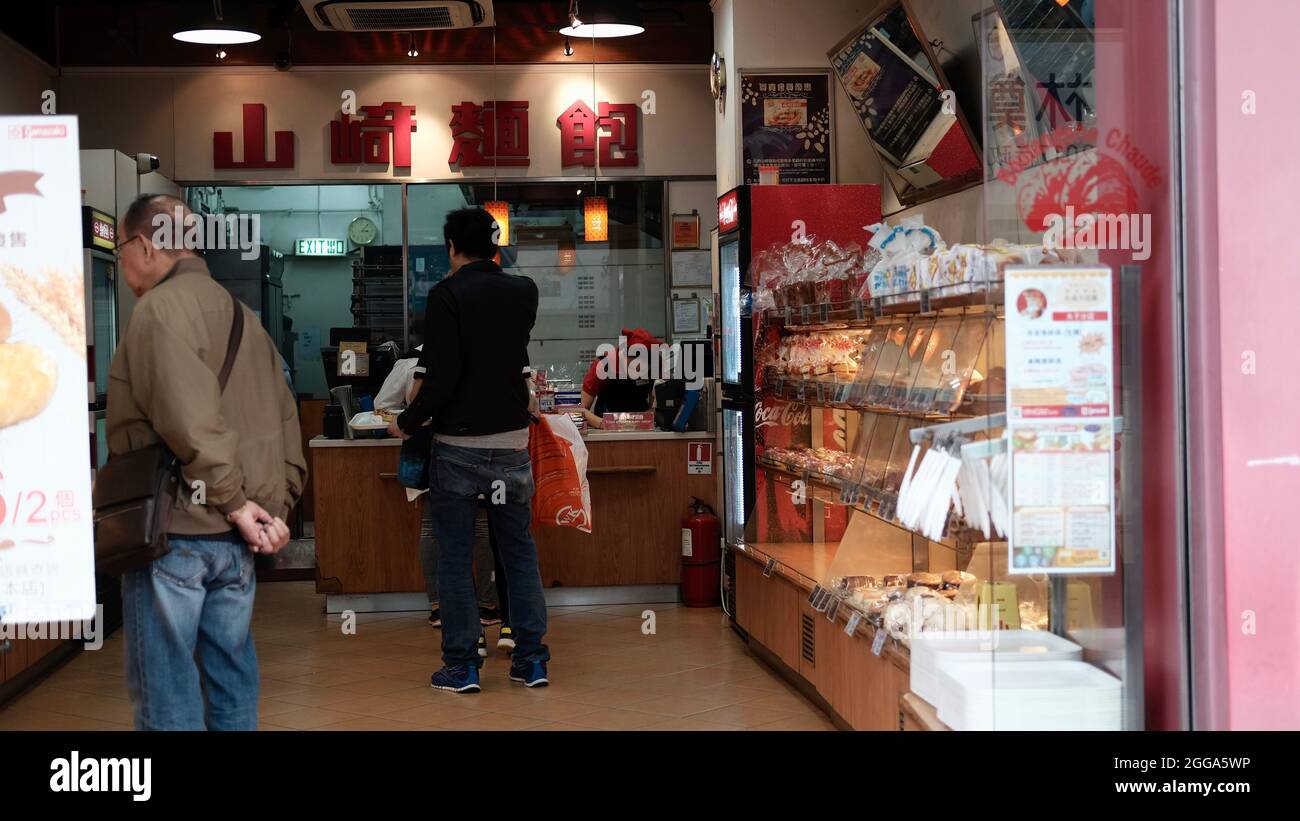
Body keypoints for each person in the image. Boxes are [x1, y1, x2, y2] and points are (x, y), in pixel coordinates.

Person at [107, 194, 305, 730]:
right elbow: (286, 420)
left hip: (177, 532)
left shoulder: (157, 311)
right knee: (231, 675)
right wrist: (272, 509)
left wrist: (236, 503)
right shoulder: (243, 316)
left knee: (167, 688)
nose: (120, 262)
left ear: (145, 245)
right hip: (235, 542)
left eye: (121, 248)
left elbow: (187, 420)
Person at [389, 207, 547, 692]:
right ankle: (531, 661)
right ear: (495, 246)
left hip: (458, 448)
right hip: (511, 446)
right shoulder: (524, 292)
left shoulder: (446, 296)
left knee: (456, 555)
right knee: (517, 552)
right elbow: (507, 361)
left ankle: (462, 666)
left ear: (452, 247)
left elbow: (442, 376)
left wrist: (406, 422)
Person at [374, 351, 506, 640]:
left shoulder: (414, 361)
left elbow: (382, 407)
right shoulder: (485, 351)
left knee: (433, 528)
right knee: (482, 528)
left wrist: (412, 420)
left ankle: (441, 607)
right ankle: (487, 606)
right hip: (479, 449)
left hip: (428, 451)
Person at [579, 327, 662, 429]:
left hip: (641, 427)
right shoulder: (603, 365)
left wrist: (648, 417)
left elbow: (656, 406)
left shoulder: (655, 366)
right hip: (605, 428)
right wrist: (603, 424)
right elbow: (581, 410)